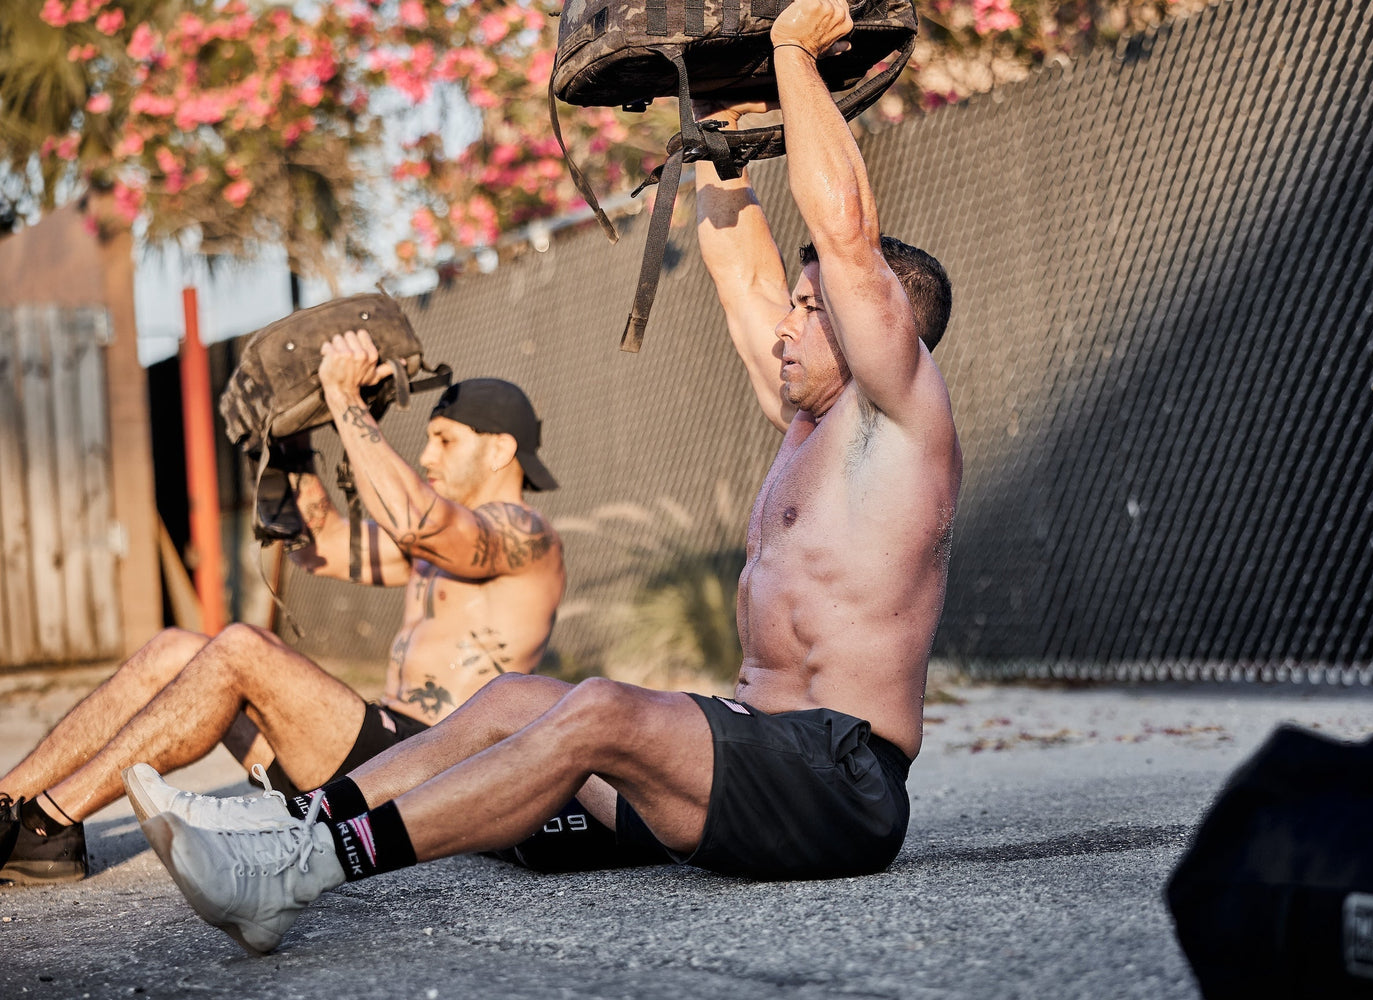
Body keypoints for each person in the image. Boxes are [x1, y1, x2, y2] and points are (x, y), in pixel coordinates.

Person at [133, 0, 961, 955]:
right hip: (748, 754)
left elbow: (848, 235)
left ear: (881, 324)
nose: (786, 320)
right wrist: (716, 132)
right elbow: (741, 277)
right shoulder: (806, 421)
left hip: (837, 784)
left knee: (603, 711)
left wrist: (789, 52)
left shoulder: (899, 418)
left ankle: (302, 874)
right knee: (525, 700)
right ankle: (299, 824)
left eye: (812, 309)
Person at [0, 332, 565, 885]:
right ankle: (9, 800)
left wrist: (345, 399)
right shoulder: (434, 549)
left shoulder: (528, 537)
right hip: (372, 752)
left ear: (501, 448)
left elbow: (415, 519)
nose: (426, 455)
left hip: (432, 764)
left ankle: (46, 820)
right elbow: (318, 545)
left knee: (243, 649)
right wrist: (293, 438)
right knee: (178, 647)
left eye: (444, 439)